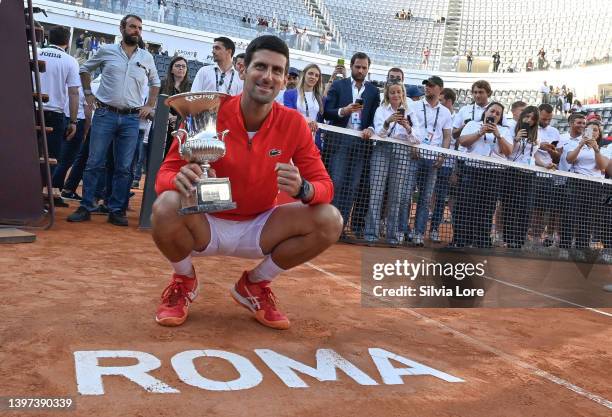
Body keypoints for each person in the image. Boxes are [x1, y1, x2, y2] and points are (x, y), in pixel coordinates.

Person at [151, 35, 342, 330]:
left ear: (284, 80)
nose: (268, 77)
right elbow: (164, 175)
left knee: (330, 219)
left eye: (277, 71)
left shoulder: (293, 124)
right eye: (261, 67)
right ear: (242, 68)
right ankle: (184, 280)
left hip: (261, 225)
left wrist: (305, 188)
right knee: (165, 206)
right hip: (206, 219)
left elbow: (324, 185)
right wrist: (178, 179)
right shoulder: (208, 111)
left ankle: (255, 284)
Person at [67, 15, 160, 227]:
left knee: (124, 167)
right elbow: (84, 69)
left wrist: (150, 105)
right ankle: (86, 205)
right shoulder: (106, 51)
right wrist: (89, 93)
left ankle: (116, 209)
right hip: (105, 114)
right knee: (94, 162)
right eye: (132, 27)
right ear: (122, 28)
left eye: (139, 27)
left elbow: (155, 82)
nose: (136, 30)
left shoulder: (146, 57)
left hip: (131, 118)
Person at [323, 52, 381, 239]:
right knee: (337, 182)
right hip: (339, 141)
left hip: (361, 143)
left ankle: (340, 228)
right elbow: (327, 112)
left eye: (364, 68)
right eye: (358, 67)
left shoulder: (373, 91)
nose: (361, 70)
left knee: (352, 186)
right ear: (351, 66)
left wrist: (371, 128)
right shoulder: (338, 85)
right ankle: (328, 226)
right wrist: (344, 111)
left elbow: (374, 117)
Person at [363, 82, 419, 244]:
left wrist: (407, 127)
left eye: (398, 92)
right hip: (382, 150)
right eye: (392, 92)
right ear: (387, 95)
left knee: (397, 196)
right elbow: (380, 134)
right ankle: (371, 235)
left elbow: (418, 139)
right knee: (376, 194)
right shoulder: (381, 111)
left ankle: (393, 237)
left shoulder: (410, 112)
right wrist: (388, 122)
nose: (395, 95)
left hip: (402, 152)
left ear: (403, 94)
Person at [453, 102, 512, 248]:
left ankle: (482, 241)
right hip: (472, 169)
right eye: (492, 111)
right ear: (486, 111)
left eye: (498, 114)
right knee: (466, 205)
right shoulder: (473, 124)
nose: (494, 115)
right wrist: (480, 132)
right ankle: (461, 239)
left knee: (487, 208)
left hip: (494, 172)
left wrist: (498, 136)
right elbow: (462, 141)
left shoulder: (505, 130)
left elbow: (508, 151)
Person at [404, 76, 452, 246]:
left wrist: (442, 155)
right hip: (413, 157)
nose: (427, 88)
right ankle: (402, 230)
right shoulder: (414, 106)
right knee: (406, 194)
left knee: (425, 198)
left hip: (432, 160)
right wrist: (413, 146)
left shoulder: (445, 112)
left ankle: (418, 233)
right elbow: (407, 127)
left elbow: (447, 136)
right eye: (426, 86)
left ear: (440, 89)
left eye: (431, 86)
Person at [37, 25, 80, 204]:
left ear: (48, 37)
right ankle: (39, 198)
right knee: (51, 158)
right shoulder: (70, 61)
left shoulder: (36, 53)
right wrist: (73, 120)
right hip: (55, 114)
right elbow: (73, 93)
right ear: (67, 41)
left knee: (27, 152)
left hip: (31, 110)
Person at [558, 114, 609, 254]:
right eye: (589, 129)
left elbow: (602, 166)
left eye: (595, 130)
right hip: (575, 182)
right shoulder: (574, 143)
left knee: (587, 217)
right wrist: (581, 145)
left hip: (594, 185)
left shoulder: (603, 148)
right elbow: (569, 159)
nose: (592, 132)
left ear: (599, 134)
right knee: (570, 214)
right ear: (585, 131)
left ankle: (582, 247)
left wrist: (596, 149)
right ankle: (565, 246)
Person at [503, 106, 540, 248]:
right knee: (511, 206)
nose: (529, 120)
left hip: (529, 173)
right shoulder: (511, 128)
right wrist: (516, 139)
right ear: (522, 115)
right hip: (512, 171)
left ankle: (520, 239)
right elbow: (506, 150)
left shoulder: (536, 133)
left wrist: (546, 164)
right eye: (527, 116)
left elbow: (533, 155)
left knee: (526, 207)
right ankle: (508, 238)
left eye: (533, 118)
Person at [160, 56, 191, 157]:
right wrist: (168, 116)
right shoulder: (163, 84)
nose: (181, 68)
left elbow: (190, 108)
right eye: (177, 66)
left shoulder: (191, 87)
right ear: (171, 69)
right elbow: (157, 103)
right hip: (163, 123)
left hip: (181, 125)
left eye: (183, 66)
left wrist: (177, 119)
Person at [283, 63, 324, 136]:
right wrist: (306, 120)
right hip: (294, 133)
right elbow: (289, 114)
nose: (313, 77)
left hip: (312, 137)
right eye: (310, 74)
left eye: (316, 75)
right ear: (304, 74)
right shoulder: (290, 94)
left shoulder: (320, 97)